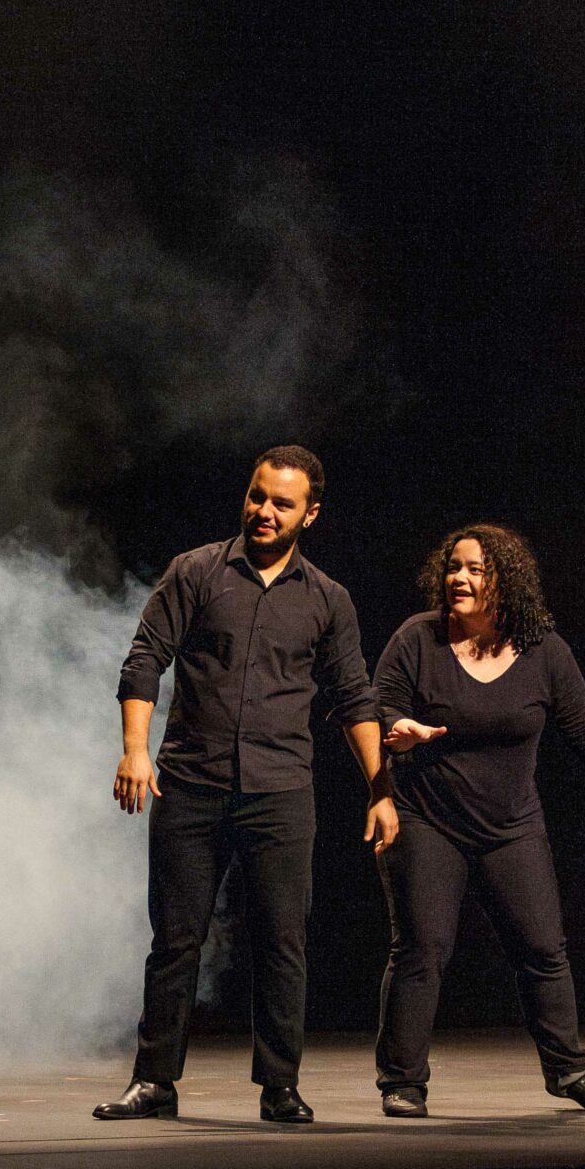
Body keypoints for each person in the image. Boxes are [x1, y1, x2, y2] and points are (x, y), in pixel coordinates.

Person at [96, 446, 393, 1126]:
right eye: (258, 496)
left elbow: (354, 696)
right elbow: (145, 659)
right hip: (190, 783)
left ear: (310, 515)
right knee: (176, 940)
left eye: (282, 503)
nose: (264, 511)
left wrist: (381, 789)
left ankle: (279, 1085)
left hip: (280, 790)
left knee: (282, 942)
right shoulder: (196, 571)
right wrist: (135, 750)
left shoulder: (328, 599)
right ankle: (154, 1080)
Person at [370, 525, 585, 1118]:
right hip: (427, 816)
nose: (460, 578)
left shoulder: (543, 650)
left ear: (506, 581)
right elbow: (381, 704)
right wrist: (398, 731)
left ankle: (569, 1070)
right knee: (421, 949)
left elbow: (582, 720)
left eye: (476, 570)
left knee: (543, 948)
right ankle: (402, 1081)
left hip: (511, 824)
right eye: (454, 567)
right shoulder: (418, 638)